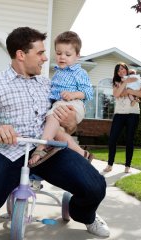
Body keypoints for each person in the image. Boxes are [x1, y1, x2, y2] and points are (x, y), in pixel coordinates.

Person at [0, 27, 110, 238]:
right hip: (12, 152)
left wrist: (70, 123)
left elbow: (67, 126)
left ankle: (86, 216)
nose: (45, 58)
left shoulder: (49, 84)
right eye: (40, 53)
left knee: (95, 186)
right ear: (21, 54)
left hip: (49, 151)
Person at [29, 31, 94, 165]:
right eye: (59, 53)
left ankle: (41, 146)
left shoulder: (79, 72)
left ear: (77, 55)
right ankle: (83, 154)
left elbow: (88, 92)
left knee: (51, 117)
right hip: (60, 104)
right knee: (58, 133)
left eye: (68, 54)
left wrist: (73, 95)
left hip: (73, 103)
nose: (62, 57)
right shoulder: (58, 72)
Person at [103, 62, 141, 173]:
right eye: (118, 70)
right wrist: (125, 83)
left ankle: (127, 166)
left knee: (129, 140)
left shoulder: (135, 79)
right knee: (112, 139)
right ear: (116, 73)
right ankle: (110, 164)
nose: (121, 71)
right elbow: (116, 94)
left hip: (133, 113)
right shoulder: (116, 82)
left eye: (122, 69)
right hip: (119, 114)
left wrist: (129, 91)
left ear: (126, 69)